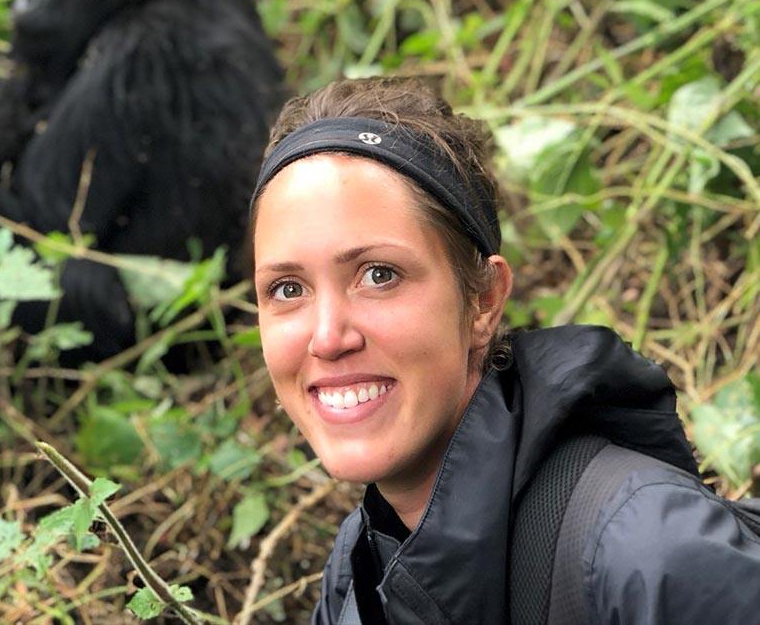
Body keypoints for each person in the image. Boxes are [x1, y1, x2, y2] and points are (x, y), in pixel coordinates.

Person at [249, 77, 760, 625]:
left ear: (484, 300)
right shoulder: (360, 571)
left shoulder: (646, 551)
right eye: (287, 289)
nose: (328, 337)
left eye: (379, 275)